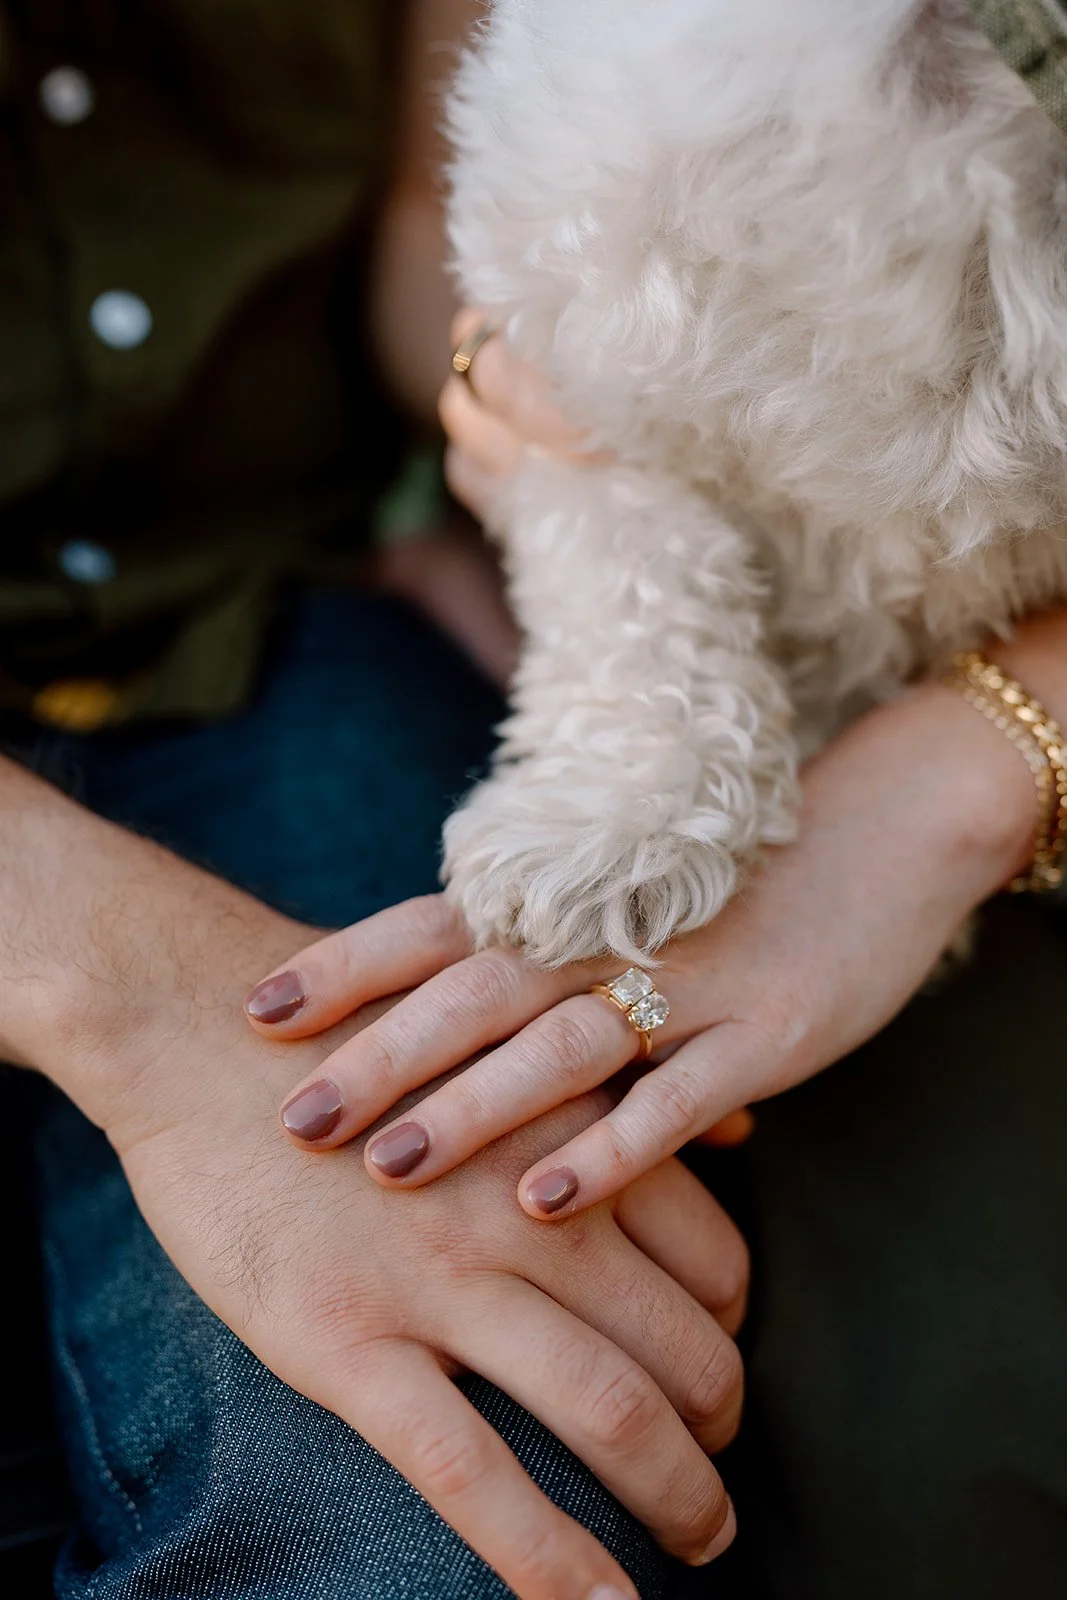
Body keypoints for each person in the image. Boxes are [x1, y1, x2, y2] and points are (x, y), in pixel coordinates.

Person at [0, 4, 745, 1599]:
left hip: (277, 621)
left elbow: (428, 220)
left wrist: (538, 446)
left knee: (483, 1484)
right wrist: (122, 977)